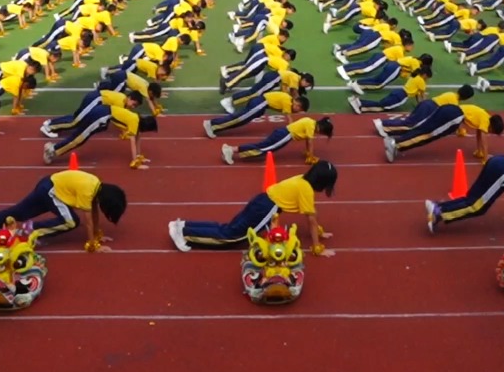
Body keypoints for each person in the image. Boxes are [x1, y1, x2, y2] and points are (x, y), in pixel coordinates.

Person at [169, 161, 338, 254]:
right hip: (267, 209)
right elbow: (311, 218)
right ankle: (183, 233)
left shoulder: (302, 179)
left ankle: (183, 225)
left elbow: (312, 215)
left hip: (262, 200)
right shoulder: (306, 190)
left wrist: (321, 232)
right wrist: (317, 248)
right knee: (231, 237)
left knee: (228, 228)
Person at [0, 169, 128, 252]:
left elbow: (94, 212)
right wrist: (94, 244)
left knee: (19, 212)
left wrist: (98, 235)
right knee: (71, 221)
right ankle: (33, 230)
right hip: (50, 191)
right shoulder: (88, 191)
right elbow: (88, 221)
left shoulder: (96, 185)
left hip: (48, 185)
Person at [43, 89, 155, 169]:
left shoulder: (134, 118)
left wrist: (139, 156)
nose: (133, 107)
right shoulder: (134, 119)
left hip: (101, 112)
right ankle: (52, 149)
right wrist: (136, 161)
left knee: (79, 134)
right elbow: (133, 140)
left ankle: (53, 148)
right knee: (79, 136)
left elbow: (137, 138)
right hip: (100, 113)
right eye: (134, 104)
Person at [224, 116, 332, 166]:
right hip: (285, 135)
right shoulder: (311, 126)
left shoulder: (310, 121)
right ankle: (232, 150)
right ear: (321, 129)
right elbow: (309, 142)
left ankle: (231, 149)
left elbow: (308, 142)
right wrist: (310, 155)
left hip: (282, 132)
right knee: (263, 149)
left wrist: (309, 153)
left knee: (263, 146)